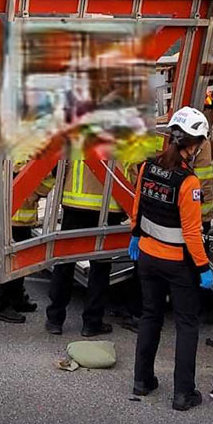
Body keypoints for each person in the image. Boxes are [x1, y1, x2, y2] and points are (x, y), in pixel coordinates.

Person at [128, 107, 213, 411]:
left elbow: (137, 205)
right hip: (179, 265)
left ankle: (142, 380)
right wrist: (203, 267)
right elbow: (192, 232)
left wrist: (136, 235)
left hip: (148, 258)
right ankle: (183, 394)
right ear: (195, 144)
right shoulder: (188, 183)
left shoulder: (148, 167)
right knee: (187, 325)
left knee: (150, 315)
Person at [44, 136, 128, 337]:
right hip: (109, 206)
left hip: (75, 204)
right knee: (100, 268)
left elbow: (56, 164)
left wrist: (39, 192)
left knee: (64, 263)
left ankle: (55, 319)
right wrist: (129, 206)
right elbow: (132, 170)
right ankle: (91, 323)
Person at [0, 166, 54, 323]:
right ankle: (1, 305)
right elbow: (25, 171)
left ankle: (16, 298)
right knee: (9, 261)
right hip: (14, 210)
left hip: (17, 208)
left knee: (19, 260)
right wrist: (38, 191)